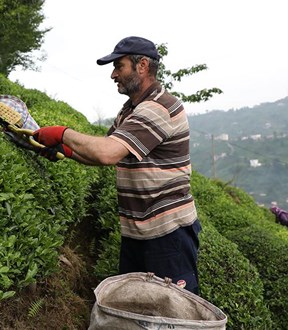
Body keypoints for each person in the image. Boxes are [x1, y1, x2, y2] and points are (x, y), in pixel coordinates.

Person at [32, 36, 202, 295]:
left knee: (171, 313)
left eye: (119, 66)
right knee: (136, 308)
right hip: (137, 232)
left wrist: (63, 133)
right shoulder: (131, 109)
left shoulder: (158, 108)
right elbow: (109, 151)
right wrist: (65, 150)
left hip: (168, 235)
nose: (113, 74)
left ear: (142, 66)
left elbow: (108, 153)